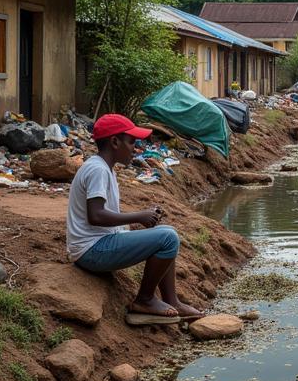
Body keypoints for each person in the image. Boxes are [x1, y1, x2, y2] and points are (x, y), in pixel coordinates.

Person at [66, 114, 202, 326]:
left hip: (97, 245)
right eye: (131, 142)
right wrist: (139, 216)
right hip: (92, 252)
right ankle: (145, 300)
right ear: (114, 141)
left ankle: (171, 299)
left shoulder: (103, 167)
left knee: (164, 235)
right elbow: (96, 215)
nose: (136, 148)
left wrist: (138, 220)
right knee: (168, 237)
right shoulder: (98, 170)